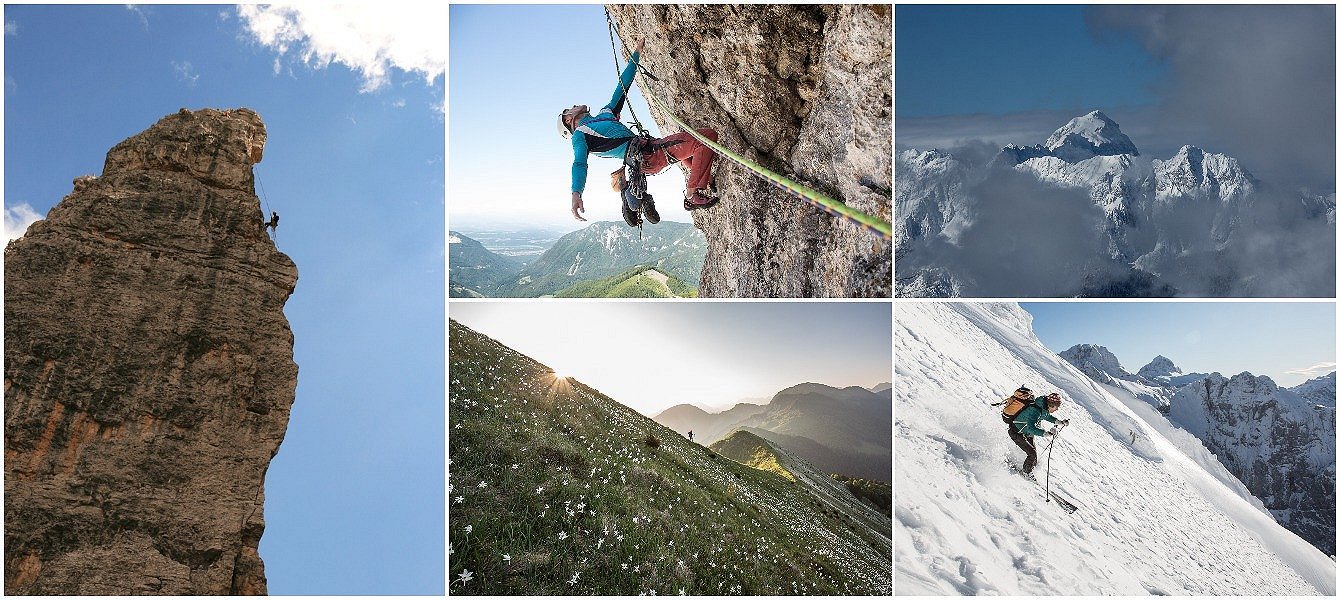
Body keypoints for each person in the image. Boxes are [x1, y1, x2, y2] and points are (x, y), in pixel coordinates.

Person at [559, 38, 719, 223]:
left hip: (647, 153)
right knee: (706, 137)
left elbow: (622, 86)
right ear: (568, 120)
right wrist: (576, 192)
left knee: (687, 153)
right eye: (567, 110)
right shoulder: (580, 135)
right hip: (647, 155)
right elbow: (579, 163)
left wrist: (637, 53)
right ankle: (692, 195)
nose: (573, 105)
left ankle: (703, 179)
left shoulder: (605, 113)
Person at [1004, 390, 1069, 478]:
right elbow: (1031, 428)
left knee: (1034, 457)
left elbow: (1046, 416)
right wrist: (1046, 433)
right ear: (1051, 405)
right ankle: (1026, 473)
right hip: (1017, 432)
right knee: (1032, 454)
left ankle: (1026, 469)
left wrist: (1060, 422)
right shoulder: (1035, 411)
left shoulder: (1042, 407)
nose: (1057, 409)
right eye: (1056, 407)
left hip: (1025, 433)